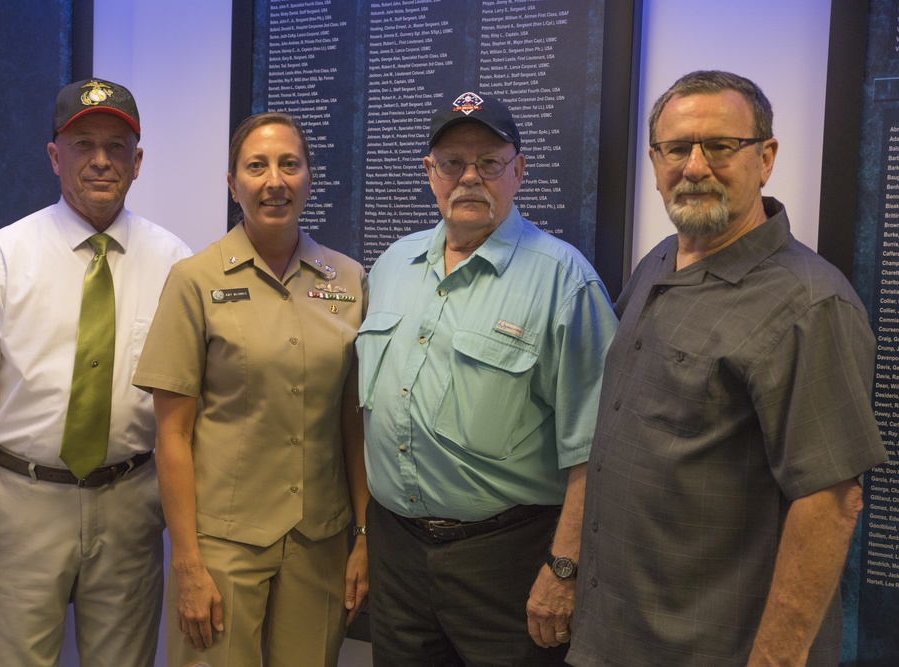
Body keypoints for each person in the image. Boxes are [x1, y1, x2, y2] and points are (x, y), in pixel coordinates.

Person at [567, 70, 890, 667]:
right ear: (654, 158)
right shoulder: (661, 260)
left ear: (764, 158)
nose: (693, 167)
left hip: (711, 648)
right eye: (676, 148)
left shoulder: (809, 303)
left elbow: (830, 503)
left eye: (719, 146)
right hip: (615, 634)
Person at [0, 78, 191, 665]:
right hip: (21, 500)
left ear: (138, 162)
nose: (100, 160)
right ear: (54, 156)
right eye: (83, 143)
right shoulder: (2, 258)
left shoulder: (175, 264)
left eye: (117, 146)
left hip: (131, 502)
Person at [356, 91, 618, 666]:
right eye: (452, 163)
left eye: (489, 163)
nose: (469, 177)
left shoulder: (565, 282)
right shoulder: (391, 266)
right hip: (397, 555)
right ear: (430, 173)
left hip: (507, 563)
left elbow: (594, 450)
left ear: (517, 171)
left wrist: (565, 568)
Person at [132, 111, 370, 666]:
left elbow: (353, 422)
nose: (275, 181)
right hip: (223, 544)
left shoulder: (350, 281)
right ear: (232, 182)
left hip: (320, 538)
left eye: (290, 164)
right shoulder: (195, 280)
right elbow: (172, 434)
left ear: (310, 176)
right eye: (256, 166)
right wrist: (188, 562)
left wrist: (364, 533)